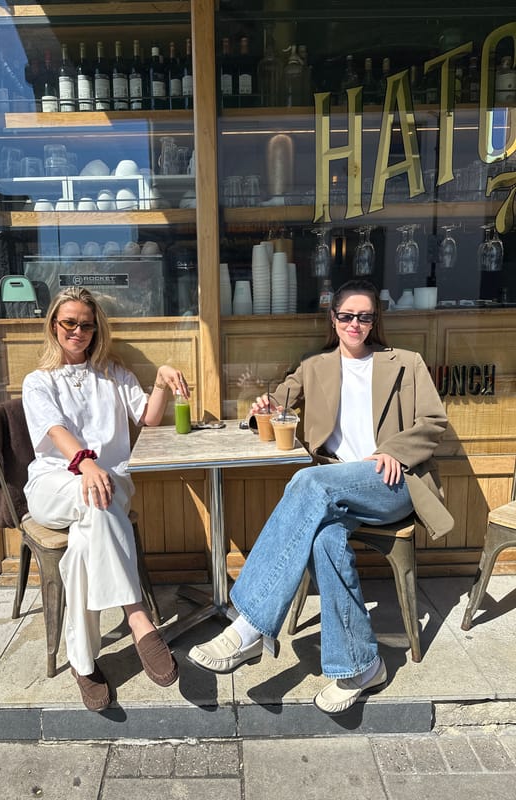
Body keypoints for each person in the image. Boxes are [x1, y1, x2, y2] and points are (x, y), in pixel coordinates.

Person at [188, 279, 453, 715]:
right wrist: (260, 409)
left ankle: (249, 627)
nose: (355, 324)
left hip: (391, 481)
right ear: (334, 319)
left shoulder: (405, 363)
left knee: (307, 483)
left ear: (374, 320)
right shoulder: (314, 367)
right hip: (336, 486)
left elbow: (433, 421)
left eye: (364, 316)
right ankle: (360, 667)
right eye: (347, 316)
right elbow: (274, 409)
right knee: (324, 539)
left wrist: (392, 451)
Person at [22, 286, 189, 711]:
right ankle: (137, 616)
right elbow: (55, 431)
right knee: (93, 493)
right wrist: (85, 463)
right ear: (54, 326)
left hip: (108, 489)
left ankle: (81, 660)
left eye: (86, 325)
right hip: (54, 485)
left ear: (97, 330)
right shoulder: (38, 382)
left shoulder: (114, 374)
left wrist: (162, 380)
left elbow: (147, 419)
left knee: (85, 538)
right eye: (69, 323)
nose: (78, 331)